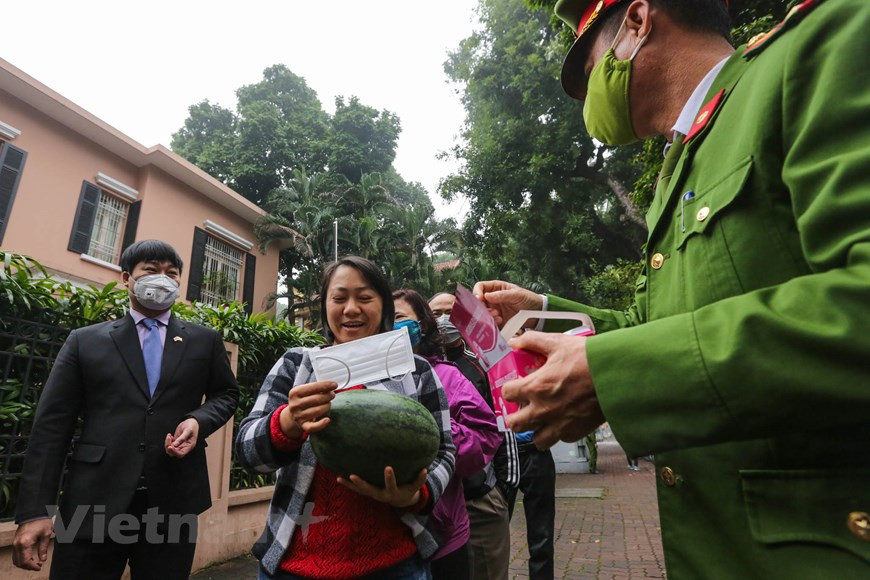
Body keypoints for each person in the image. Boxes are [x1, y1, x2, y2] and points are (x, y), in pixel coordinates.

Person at [473, 0, 870, 577]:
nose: (588, 101)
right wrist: (541, 310)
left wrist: (613, 376)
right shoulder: (680, 168)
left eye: (589, 74)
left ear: (636, 22)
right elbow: (654, 328)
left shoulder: (818, 51)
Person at [12, 239, 239, 579]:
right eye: (151, 271)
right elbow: (51, 428)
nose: (162, 279)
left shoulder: (203, 340)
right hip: (93, 501)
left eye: (171, 273)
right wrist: (34, 512)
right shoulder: (84, 340)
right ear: (126, 278)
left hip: (174, 502)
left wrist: (197, 420)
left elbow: (226, 393)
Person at [235, 257, 455, 580]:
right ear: (325, 306)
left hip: (395, 567)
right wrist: (286, 424)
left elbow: (445, 451)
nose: (351, 309)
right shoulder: (296, 366)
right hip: (295, 568)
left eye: (365, 297)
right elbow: (247, 452)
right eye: (339, 298)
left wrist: (417, 495)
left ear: (383, 306)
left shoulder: (416, 371)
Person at [393, 289, 501, 580]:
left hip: (443, 530)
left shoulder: (448, 376)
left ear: (422, 325)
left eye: (399, 318)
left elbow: (487, 438)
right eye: (385, 319)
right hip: (388, 537)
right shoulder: (366, 377)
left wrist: (433, 425)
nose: (392, 326)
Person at [429, 291, 519, 580]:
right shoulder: (419, 366)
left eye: (449, 312)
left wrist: (502, 491)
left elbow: (505, 427)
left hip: (478, 498)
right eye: (435, 314)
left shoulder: (483, 363)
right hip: (435, 505)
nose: (443, 320)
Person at [500, 431, 556, 580]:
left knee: (542, 533)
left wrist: (552, 435)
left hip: (536, 452)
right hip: (502, 454)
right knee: (495, 530)